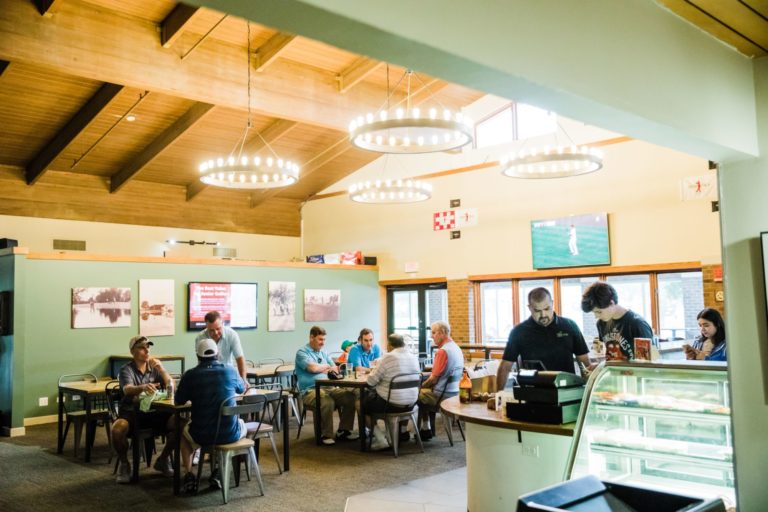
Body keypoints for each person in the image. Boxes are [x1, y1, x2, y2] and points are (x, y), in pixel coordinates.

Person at [175, 338, 247, 494]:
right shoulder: (230, 370)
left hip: (200, 434)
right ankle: (219, 471)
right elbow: (242, 389)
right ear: (218, 353)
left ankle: (189, 474)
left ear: (198, 356)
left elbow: (178, 400)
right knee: (239, 424)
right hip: (229, 434)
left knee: (184, 437)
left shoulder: (190, 375)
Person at [111, 335, 180, 484]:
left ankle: (163, 459)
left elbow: (172, 387)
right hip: (131, 413)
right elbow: (128, 390)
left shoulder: (154, 368)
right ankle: (124, 464)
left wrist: (161, 369)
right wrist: (142, 387)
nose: (146, 350)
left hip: (155, 413)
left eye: (148, 347)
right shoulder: (126, 369)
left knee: (181, 423)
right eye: (142, 347)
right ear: (132, 351)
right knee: (117, 430)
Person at [497, 288, 591, 391]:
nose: (543, 315)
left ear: (552, 303)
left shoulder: (570, 326)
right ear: (530, 308)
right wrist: (498, 395)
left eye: (547, 309)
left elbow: (584, 363)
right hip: (533, 393)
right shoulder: (519, 332)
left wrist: (587, 392)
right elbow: (505, 366)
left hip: (566, 391)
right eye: (537, 311)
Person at [294, 326, 358, 445]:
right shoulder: (302, 352)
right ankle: (326, 435)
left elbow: (335, 368)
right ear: (311, 337)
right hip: (310, 390)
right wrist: (325, 367)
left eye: (324, 340)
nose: (322, 343)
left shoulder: (324, 352)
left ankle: (343, 430)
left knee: (351, 397)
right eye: (320, 339)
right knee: (327, 401)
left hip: (329, 387)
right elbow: (312, 368)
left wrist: (323, 367)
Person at [364, 333, 421, 450]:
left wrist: (373, 371)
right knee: (382, 397)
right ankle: (390, 436)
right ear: (403, 344)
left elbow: (370, 381)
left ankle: (380, 440)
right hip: (411, 404)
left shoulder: (387, 357)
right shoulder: (413, 357)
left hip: (391, 405)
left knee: (361, 404)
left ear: (389, 345)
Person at [581, 281, 654, 360]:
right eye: (594, 312)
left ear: (611, 303)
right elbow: (609, 356)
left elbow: (647, 362)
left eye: (599, 312)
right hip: (613, 372)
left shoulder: (637, 324)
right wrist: (600, 366)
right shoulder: (601, 323)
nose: (596, 316)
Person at [417, 321, 464, 440]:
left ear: (443, 333)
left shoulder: (442, 351)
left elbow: (433, 379)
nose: (431, 336)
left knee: (415, 395)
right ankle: (425, 428)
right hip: (454, 393)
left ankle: (423, 428)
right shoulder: (456, 348)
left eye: (434, 333)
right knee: (423, 393)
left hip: (442, 396)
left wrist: (420, 386)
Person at [195, 311, 248, 388]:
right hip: (208, 377)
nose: (216, 333)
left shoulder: (232, 334)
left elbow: (239, 358)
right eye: (212, 330)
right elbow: (201, 361)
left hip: (228, 376)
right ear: (206, 327)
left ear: (222, 324)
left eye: (218, 328)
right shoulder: (200, 338)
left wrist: (243, 380)